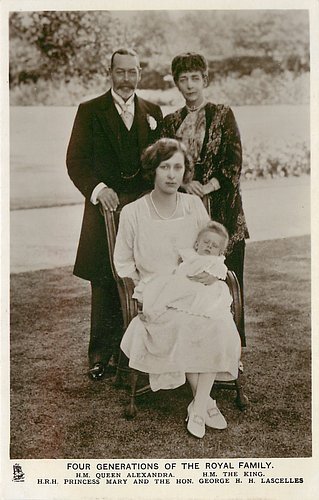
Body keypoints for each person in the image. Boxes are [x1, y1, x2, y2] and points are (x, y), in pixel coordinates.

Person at [114, 138, 241, 438]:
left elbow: (211, 248)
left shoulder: (193, 204)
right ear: (152, 170)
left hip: (194, 286)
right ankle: (205, 402)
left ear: (185, 172)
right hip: (158, 291)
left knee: (219, 322)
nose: (172, 175)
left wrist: (213, 274)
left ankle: (197, 406)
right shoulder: (133, 212)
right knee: (185, 322)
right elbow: (122, 263)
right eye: (164, 167)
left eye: (178, 167)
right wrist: (142, 293)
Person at [66, 48, 163, 380]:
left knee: (143, 276)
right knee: (105, 280)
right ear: (110, 73)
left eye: (132, 72)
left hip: (141, 210)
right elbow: (75, 162)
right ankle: (101, 356)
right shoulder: (90, 111)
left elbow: (159, 162)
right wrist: (98, 189)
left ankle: (137, 356)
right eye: (120, 72)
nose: (126, 79)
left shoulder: (152, 111)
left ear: (140, 73)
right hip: (102, 209)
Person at [162, 52, 249, 338]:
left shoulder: (223, 114)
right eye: (183, 79)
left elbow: (234, 160)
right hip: (185, 210)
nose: (190, 85)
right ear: (176, 83)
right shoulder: (170, 121)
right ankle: (192, 346)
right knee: (190, 276)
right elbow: (166, 164)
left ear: (205, 80)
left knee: (226, 277)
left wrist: (208, 185)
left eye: (195, 79)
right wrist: (186, 185)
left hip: (222, 209)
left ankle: (230, 347)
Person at [141, 221, 233, 322]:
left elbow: (221, 271)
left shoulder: (215, 261)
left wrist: (214, 274)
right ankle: (153, 310)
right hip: (186, 283)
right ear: (197, 245)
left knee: (177, 292)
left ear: (220, 253)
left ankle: (156, 311)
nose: (209, 246)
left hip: (204, 289)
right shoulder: (191, 255)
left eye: (215, 246)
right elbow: (183, 268)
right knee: (165, 287)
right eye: (206, 242)